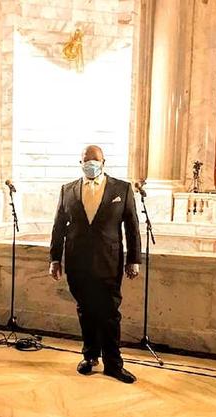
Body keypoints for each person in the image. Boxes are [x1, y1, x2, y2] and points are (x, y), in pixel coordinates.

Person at [49, 145, 142, 383]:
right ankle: (90, 356)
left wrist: (134, 259)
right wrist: (54, 259)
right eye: (86, 160)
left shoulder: (122, 188)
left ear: (103, 162)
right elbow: (59, 227)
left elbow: (132, 228)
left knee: (110, 313)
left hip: (108, 262)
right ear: (80, 162)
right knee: (85, 311)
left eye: (95, 160)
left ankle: (114, 363)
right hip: (77, 262)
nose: (91, 164)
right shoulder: (67, 190)